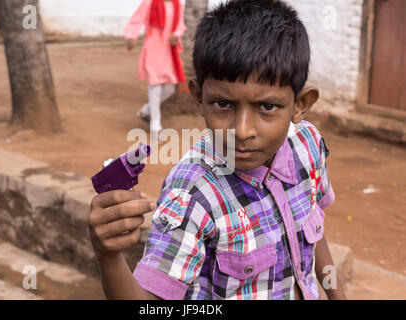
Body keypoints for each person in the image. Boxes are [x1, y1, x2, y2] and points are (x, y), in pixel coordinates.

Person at [89, 0, 347, 300]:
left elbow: (315, 235)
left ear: (300, 105)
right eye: (223, 104)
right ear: (198, 97)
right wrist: (107, 256)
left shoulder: (308, 146)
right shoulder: (192, 192)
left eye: (267, 107)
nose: (242, 130)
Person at [125, 0, 187, 138]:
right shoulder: (149, 2)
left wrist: (176, 34)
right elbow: (136, 20)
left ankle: (145, 110)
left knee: (170, 88)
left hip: (168, 52)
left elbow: (181, 26)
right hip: (153, 50)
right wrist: (131, 36)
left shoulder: (177, 4)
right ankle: (155, 128)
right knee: (155, 89)